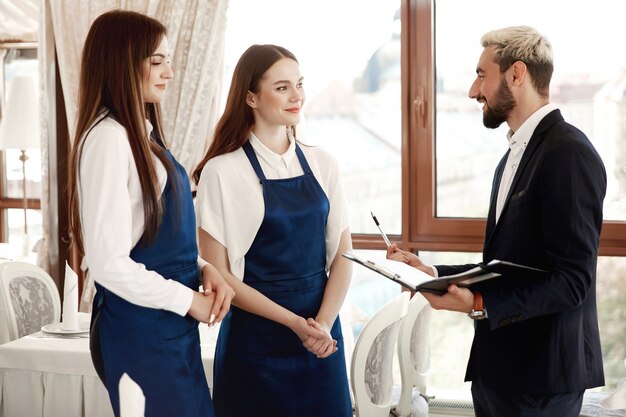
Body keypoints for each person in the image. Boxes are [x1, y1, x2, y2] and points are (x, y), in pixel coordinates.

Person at [388, 26, 606, 417]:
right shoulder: (511, 158)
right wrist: (433, 271)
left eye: (481, 75)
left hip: (542, 383)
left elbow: (572, 280)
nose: (474, 91)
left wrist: (478, 302)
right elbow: (509, 265)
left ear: (516, 74)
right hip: (499, 374)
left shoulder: (569, 154)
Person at [67, 10, 234, 417]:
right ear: (123, 62)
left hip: (169, 330)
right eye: (157, 61)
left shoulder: (142, 133)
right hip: (139, 331)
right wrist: (188, 301)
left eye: (169, 60)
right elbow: (108, 265)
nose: (170, 73)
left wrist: (202, 268)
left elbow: (147, 233)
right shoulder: (108, 139)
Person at [193, 44, 353, 417]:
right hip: (255, 348)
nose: (296, 95)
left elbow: (343, 256)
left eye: (299, 84)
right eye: (282, 87)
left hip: (322, 339)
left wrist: (322, 324)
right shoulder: (222, 172)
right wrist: (295, 324)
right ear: (250, 96)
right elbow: (221, 278)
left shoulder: (323, 163)